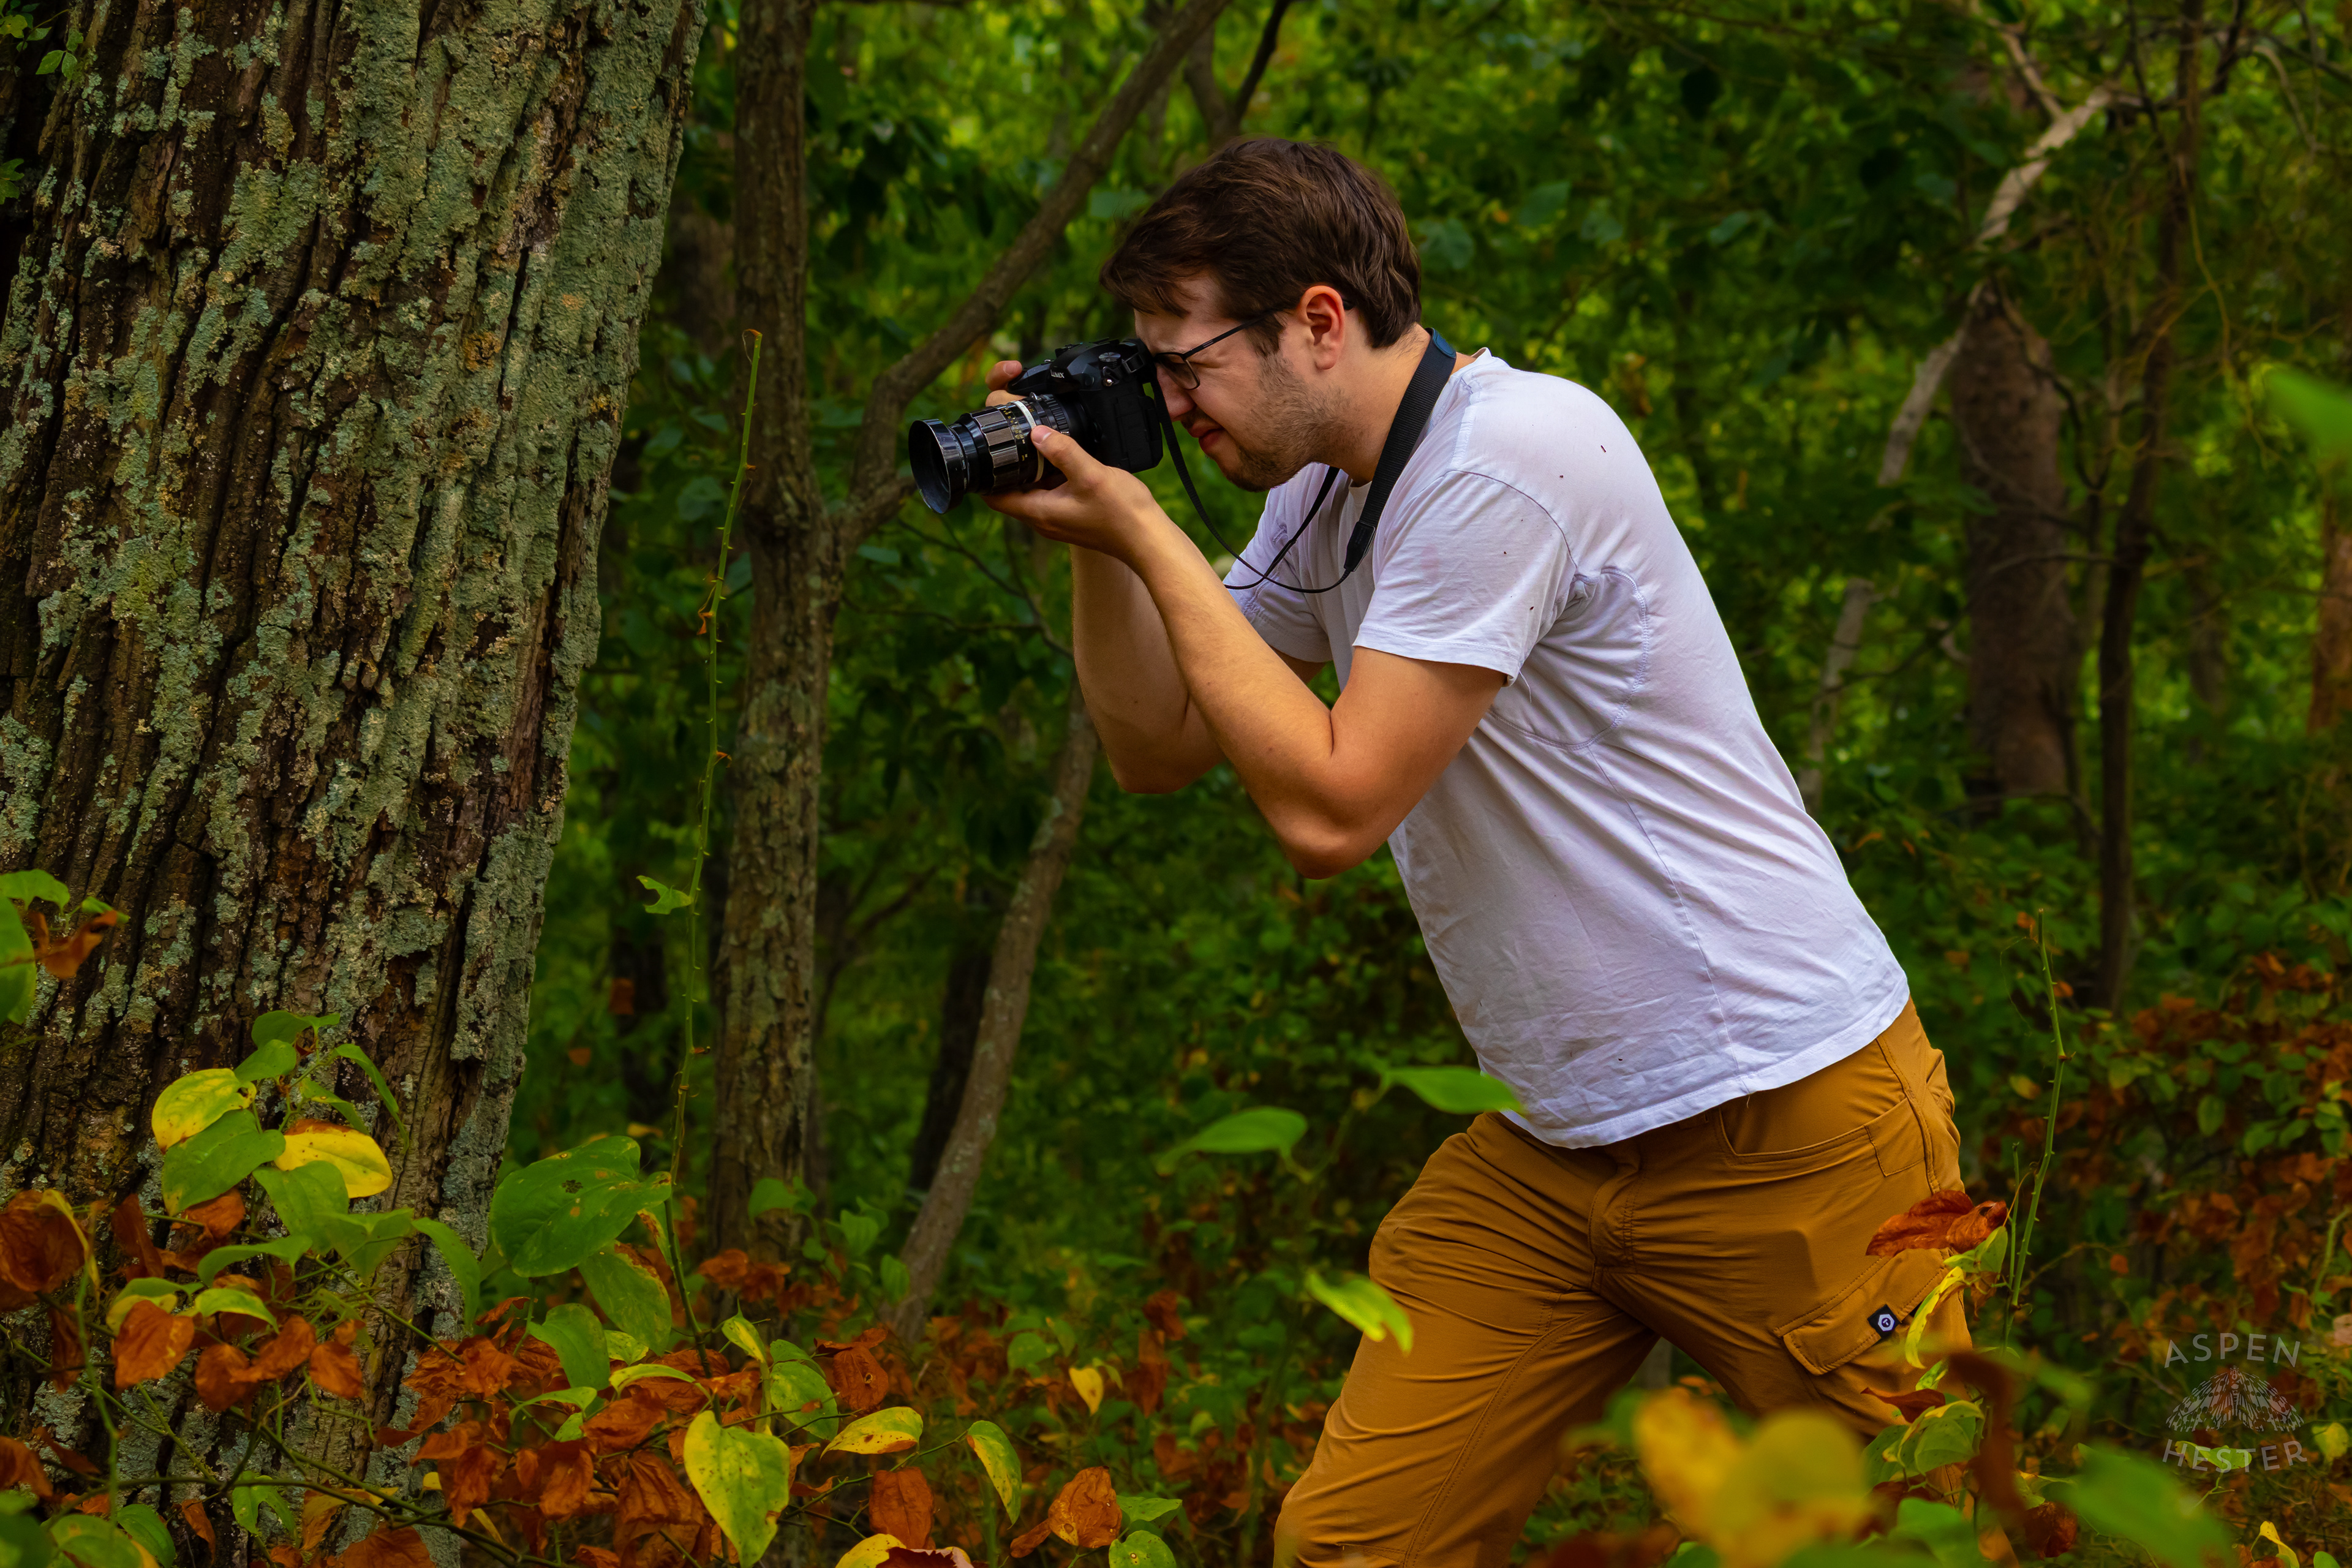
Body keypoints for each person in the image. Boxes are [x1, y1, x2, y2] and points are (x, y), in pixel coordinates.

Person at [979, 138, 1969, 1567]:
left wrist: (1147, 527)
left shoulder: (1509, 459)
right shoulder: (1322, 495)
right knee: (1355, 1546)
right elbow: (1158, 744)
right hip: (1564, 1146)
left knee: (1925, 1534)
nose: (1170, 399)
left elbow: (1332, 807)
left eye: (1183, 362)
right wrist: (1096, 529)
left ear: (1318, 320)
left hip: (1788, 1117)